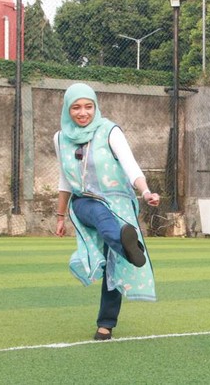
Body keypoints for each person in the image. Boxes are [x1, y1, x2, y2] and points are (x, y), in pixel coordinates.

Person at [54, 82, 160, 341]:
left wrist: (146, 192)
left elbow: (130, 165)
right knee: (102, 216)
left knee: (115, 261)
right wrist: (59, 216)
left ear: (95, 107)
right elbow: (65, 179)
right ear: (68, 109)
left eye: (88, 107)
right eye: (76, 107)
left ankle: (106, 325)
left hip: (118, 203)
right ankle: (128, 247)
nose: (83, 113)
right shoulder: (60, 138)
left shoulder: (109, 131)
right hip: (84, 203)